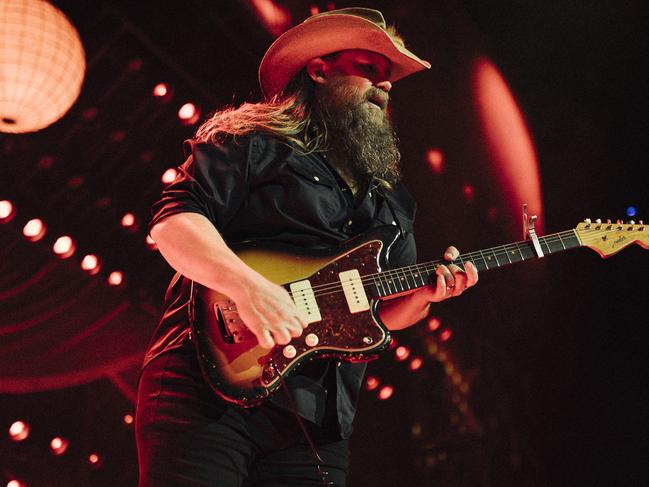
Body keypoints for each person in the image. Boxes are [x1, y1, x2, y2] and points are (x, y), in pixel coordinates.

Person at [135, 7, 478, 487]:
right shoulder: (254, 140)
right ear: (319, 69)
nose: (386, 85)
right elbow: (174, 224)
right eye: (370, 69)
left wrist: (428, 294)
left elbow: (385, 312)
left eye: (390, 77)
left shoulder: (392, 200)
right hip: (207, 382)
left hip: (315, 420)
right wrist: (249, 288)